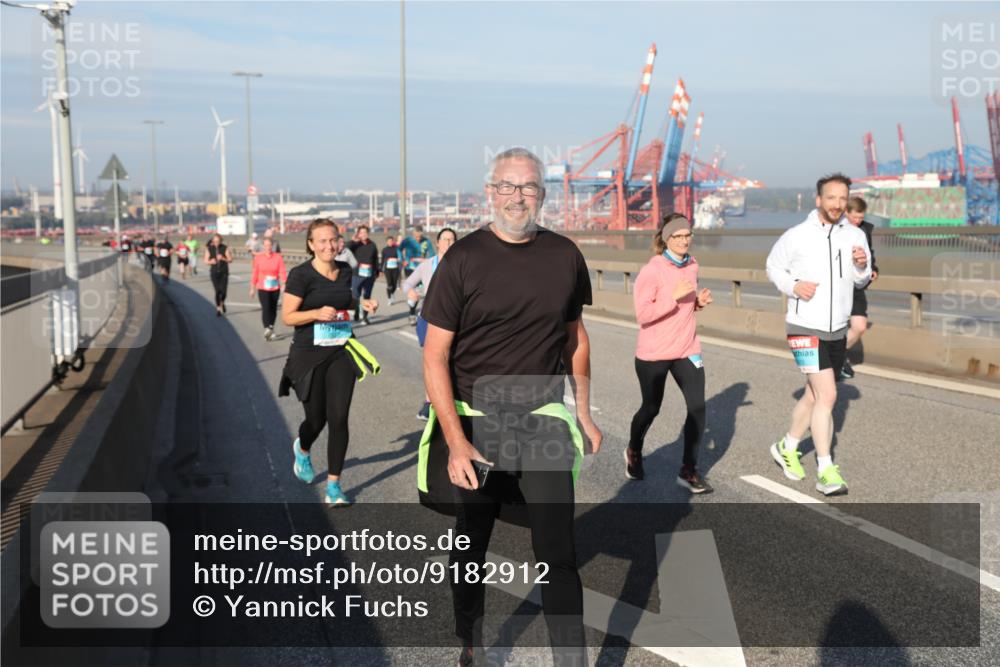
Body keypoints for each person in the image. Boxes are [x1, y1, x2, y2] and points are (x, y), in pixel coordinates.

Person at [420, 148, 600, 665]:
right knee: (471, 544)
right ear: (490, 192)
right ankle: (470, 641)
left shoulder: (565, 256)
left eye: (528, 188)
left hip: (542, 421)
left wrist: (583, 411)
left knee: (558, 555)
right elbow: (435, 356)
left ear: (542, 195)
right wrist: (455, 443)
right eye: (507, 186)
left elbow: (576, 339)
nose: (517, 197)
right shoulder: (463, 259)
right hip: (477, 423)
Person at [765, 173, 871, 496]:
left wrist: (862, 266)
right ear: (818, 200)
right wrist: (794, 286)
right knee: (828, 396)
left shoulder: (854, 235)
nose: (837, 204)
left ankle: (787, 445)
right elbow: (773, 266)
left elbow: (861, 281)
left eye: (843, 198)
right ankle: (826, 470)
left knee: (813, 395)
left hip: (837, 328)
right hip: (803, 327)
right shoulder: (796, 235)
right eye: (831, 198)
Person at [278, 219, 380, 506]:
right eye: (321, 241)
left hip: (341, 351)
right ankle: (303, 447)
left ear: (339, 241)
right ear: (311, 244)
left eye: (333, 240)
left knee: (338, 418)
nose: (328, 246)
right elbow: (288, 316)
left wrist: (363, 304)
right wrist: (314, 314)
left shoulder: (346, 270)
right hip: (308, 355)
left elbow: (345, 302)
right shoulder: (301, 275)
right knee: (316, 419)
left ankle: (334, 486)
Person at [626, 213, 714, 493]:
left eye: (688, 235)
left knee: (698, 408)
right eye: (677, 236)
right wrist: (672, 297)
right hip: (654, 352)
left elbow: (683, 308)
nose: (684, 241)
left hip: (687, 348)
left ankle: (688, 470)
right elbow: (643, 314)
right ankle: (634, 450)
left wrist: (696, 303)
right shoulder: (652, 270)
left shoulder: (692, 265)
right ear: (666, 239)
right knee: (651, 408)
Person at [401, 227, 456, 420]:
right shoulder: (427, 265)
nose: (449, 243)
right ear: (438, 243)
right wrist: (410, 292)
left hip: (454, 319)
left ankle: (451, 399)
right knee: (433, 361)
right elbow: (407, 283)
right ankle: (429, 402)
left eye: (452, 240)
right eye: (445, 239)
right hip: (429, 317)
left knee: (452, 360)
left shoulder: (462, 265)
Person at [841, 196, 879, 379]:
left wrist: (873, 269)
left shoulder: (864, 230)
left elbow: (869, 254)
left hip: (856, 286)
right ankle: (835, 359)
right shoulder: (834, 230)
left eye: (861, 218)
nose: (857, 221)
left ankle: (838, 354)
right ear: (845, 213)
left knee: (860, 326)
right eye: (854, 217)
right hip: (837, 286)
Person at [250, 236, 288, 340]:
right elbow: (255, 273)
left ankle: (271, 327)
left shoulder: (278, 257)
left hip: (275, 287)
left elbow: (282, 271)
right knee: (266, 308)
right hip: (262, 287)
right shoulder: (258, 258)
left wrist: (284, 283)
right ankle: (267, 328)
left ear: (272, 246)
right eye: (266, 245)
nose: (268, 247)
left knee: (273, 309)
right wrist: (252, 288)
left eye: (269, 245)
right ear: (263, 246)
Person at [348, 225, 379, 325]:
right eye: (361, 233)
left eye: (365, 232)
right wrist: (352, 241)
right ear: (358, 234)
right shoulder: (355, 244)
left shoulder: (372, 245)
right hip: (357, 274)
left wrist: (377, 271)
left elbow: (375, 259)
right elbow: (345, 249)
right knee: (355, 295)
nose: (363, 235)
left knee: (367, 296)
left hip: (369, 275)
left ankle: (365, 317)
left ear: (368, 233)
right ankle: (356, 312)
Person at [204, 233, 233, 317]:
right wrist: (210, 261)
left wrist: (223, 258)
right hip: (214, 272)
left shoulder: (224, 248)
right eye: (214, 241)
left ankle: (222, 302)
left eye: (218, 241)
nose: (216, 243)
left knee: (223, 292)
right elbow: (205, 261)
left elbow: (230, 260)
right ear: (212, 241)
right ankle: (218, 309)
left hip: (224, 272)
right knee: (217, 291)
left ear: (220, 241)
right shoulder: (209, 249)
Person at [380, 235, 402, 304]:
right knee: (389, 284)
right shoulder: (384, 250)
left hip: (395, 269)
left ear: (393, 242)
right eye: (389, 241)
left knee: (394, 284)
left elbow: (400, 257)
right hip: (388, 269)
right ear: (386, 242)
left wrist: (398, 260)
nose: (390, 242)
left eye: (391, 241)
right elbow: (383, 260)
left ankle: (392, 294)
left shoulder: (396, 249)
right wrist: (381, 270)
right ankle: (389, 298)